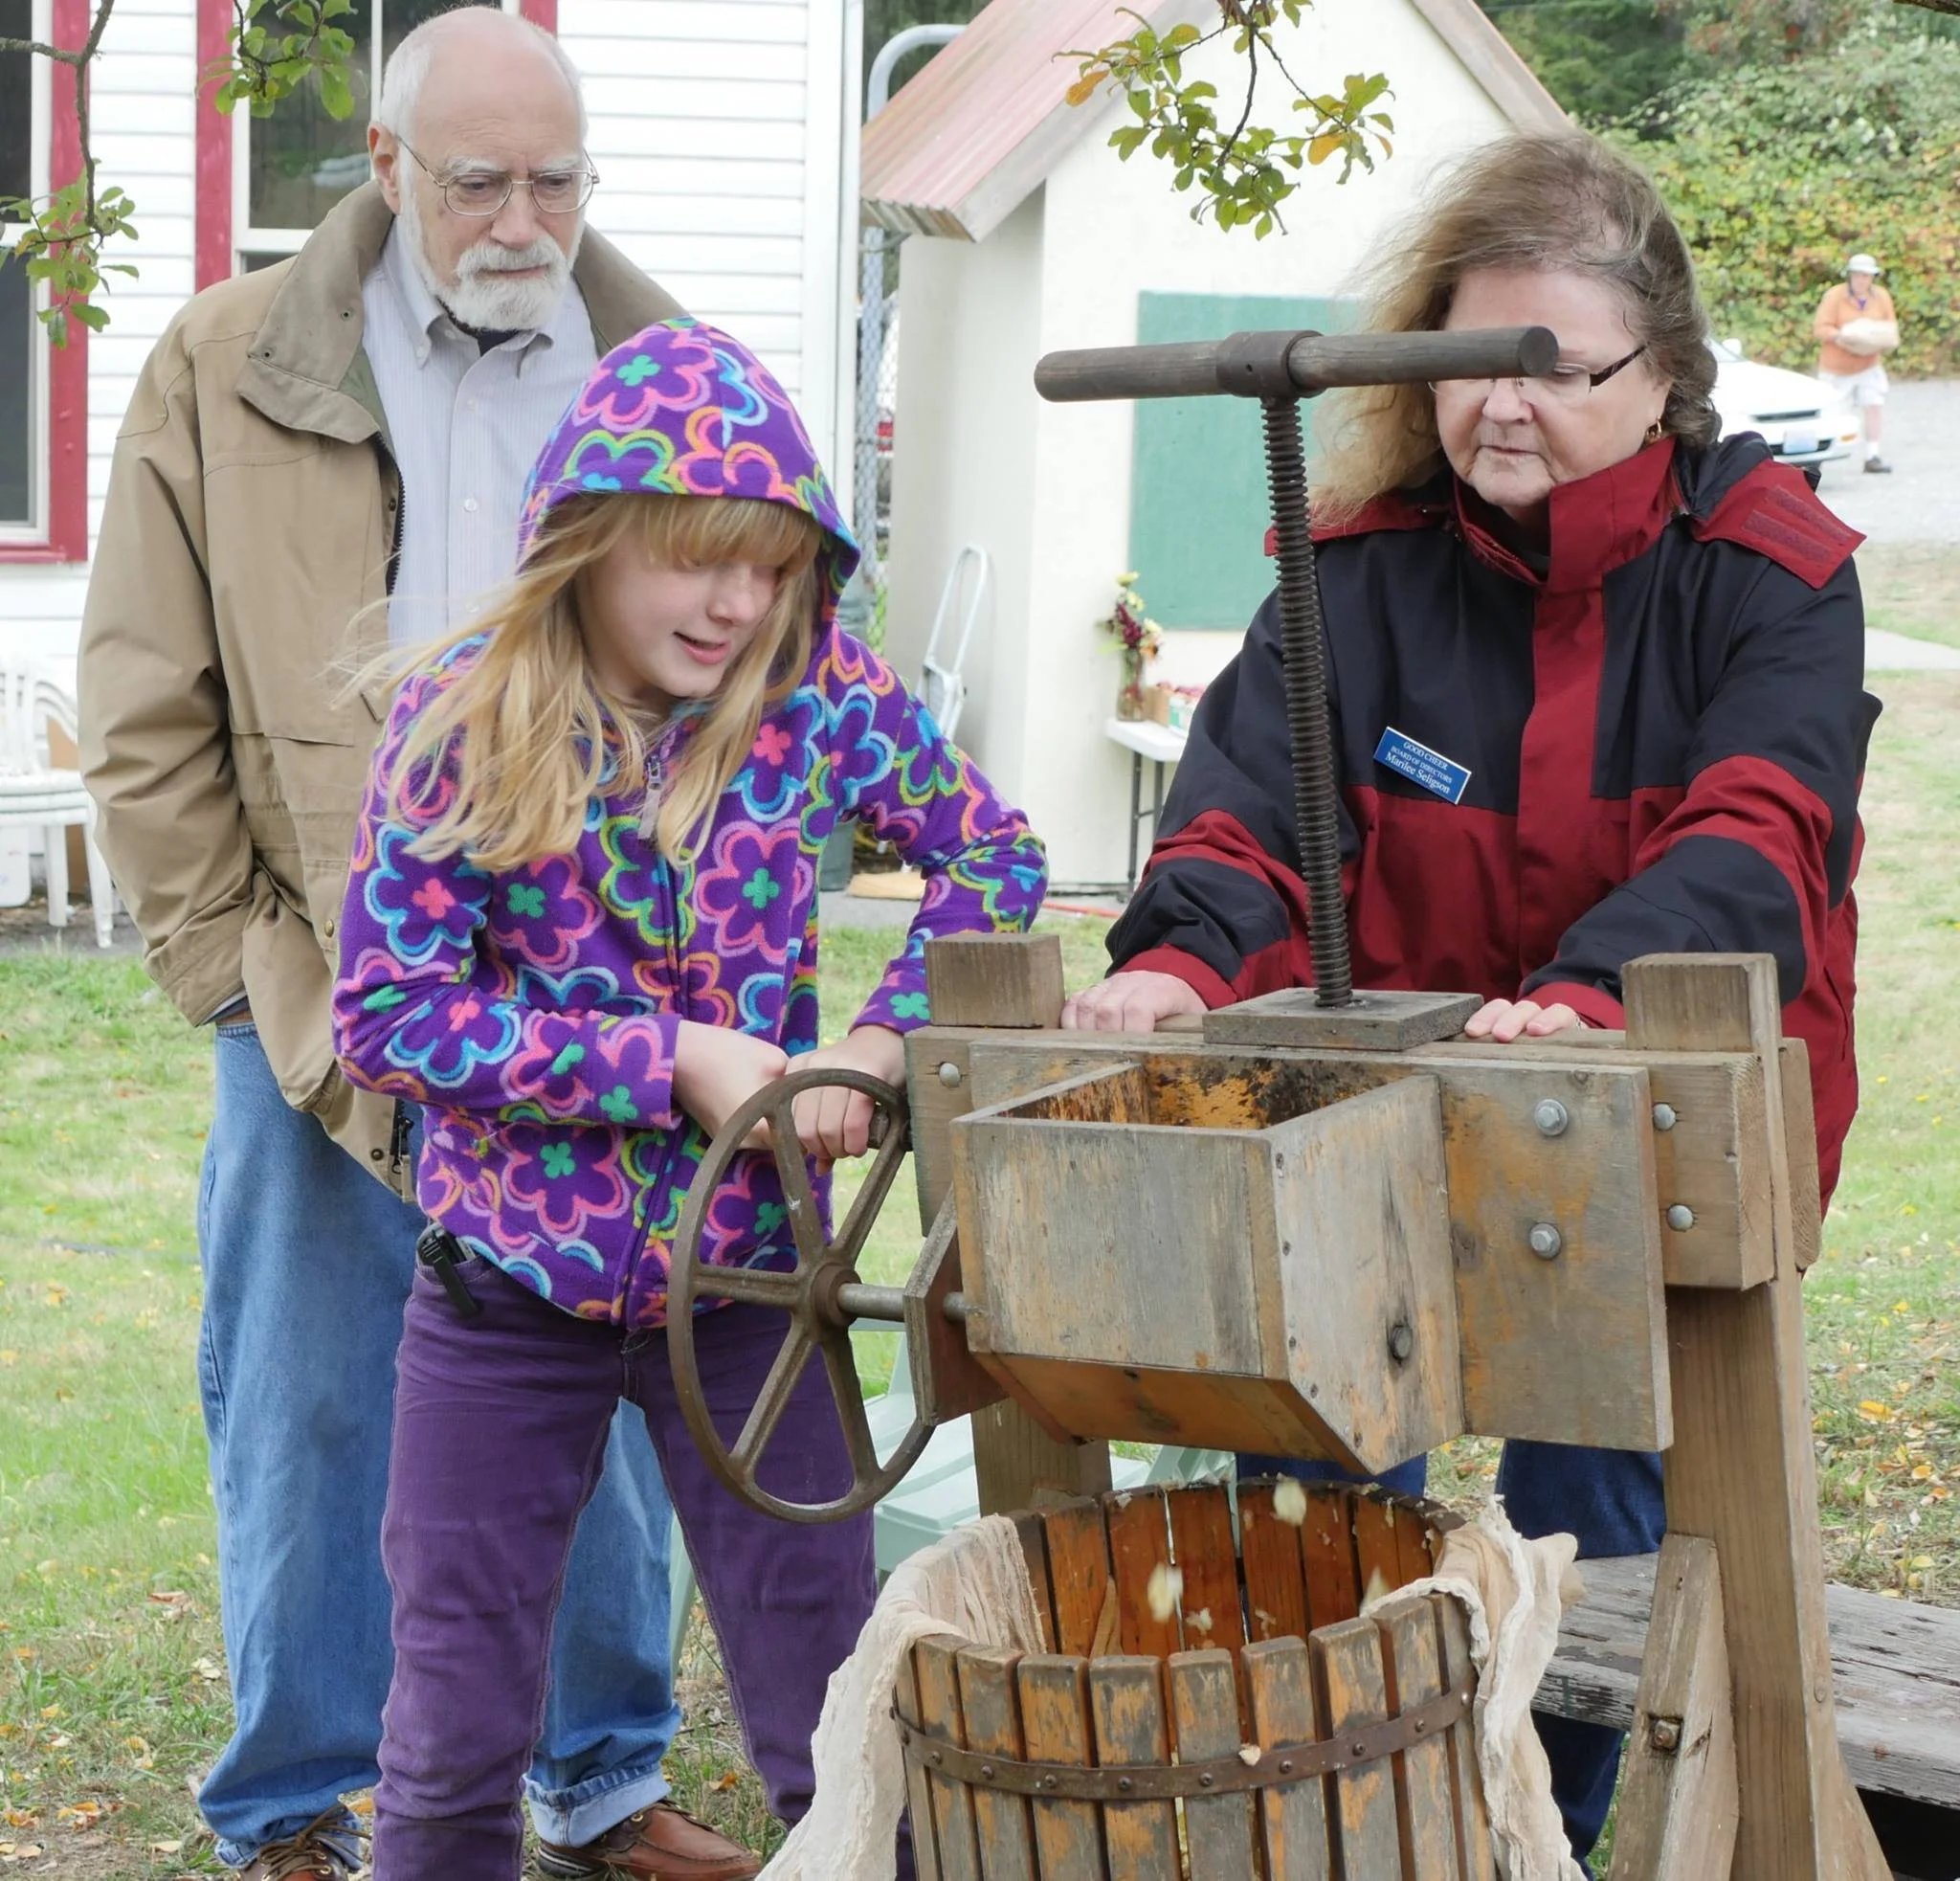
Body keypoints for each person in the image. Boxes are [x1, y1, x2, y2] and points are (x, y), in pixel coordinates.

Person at [1063, 130, 1877, 1870]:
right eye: (1457, 365)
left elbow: (1760, 828)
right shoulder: (1355, 575)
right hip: (1380, 1137)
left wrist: (1590, 1002)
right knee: (1310, 1482)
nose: (1497, 410)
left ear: (1657, 374)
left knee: (1592, 1515)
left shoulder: (1774, 573)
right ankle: (1338, 1820)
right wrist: (1173, 957)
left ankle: (1551, 1838)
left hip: (1651, 1127)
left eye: (1546, 371)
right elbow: (1247, 813)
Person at [77, 12, 758, 1878]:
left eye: (555, 177)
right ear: (384, 172)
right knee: (307, 1402)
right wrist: (233, 969)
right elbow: (145, 689)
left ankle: (602, 1780)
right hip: (324, 984)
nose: (520, 217)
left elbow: (755, 669)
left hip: (595, 1000)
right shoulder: (225, 362)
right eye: (477, 181)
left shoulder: (671, 368)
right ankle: (290, 1804)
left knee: (607, 1392)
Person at [329, 315, 1045, 1879]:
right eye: (692, 559)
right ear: (586, 541)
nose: (733, 602)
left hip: (748, 1300)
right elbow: (386, 1017)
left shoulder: (817, 696)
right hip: (502, 1301)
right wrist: (670, 1063)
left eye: (770, 565)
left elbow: (992, 864)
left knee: (841, 1721)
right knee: (451, 1741)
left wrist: (875, 1047)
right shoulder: (462, 718)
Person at [1815, 251, 1899, 473]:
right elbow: (1821, 328)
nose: (1862, 280)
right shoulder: (1835, 296)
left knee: (1873, 405)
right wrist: (1843, 337)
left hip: (1869, 364)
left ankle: (1872, 455)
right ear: (1850, 276)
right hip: (1837, 366)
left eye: (1867, 276)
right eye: (1858, 275)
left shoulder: (1881, 296)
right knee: (1832, 412)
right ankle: (1818, 458)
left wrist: (1873, 338)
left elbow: (1890, 327)